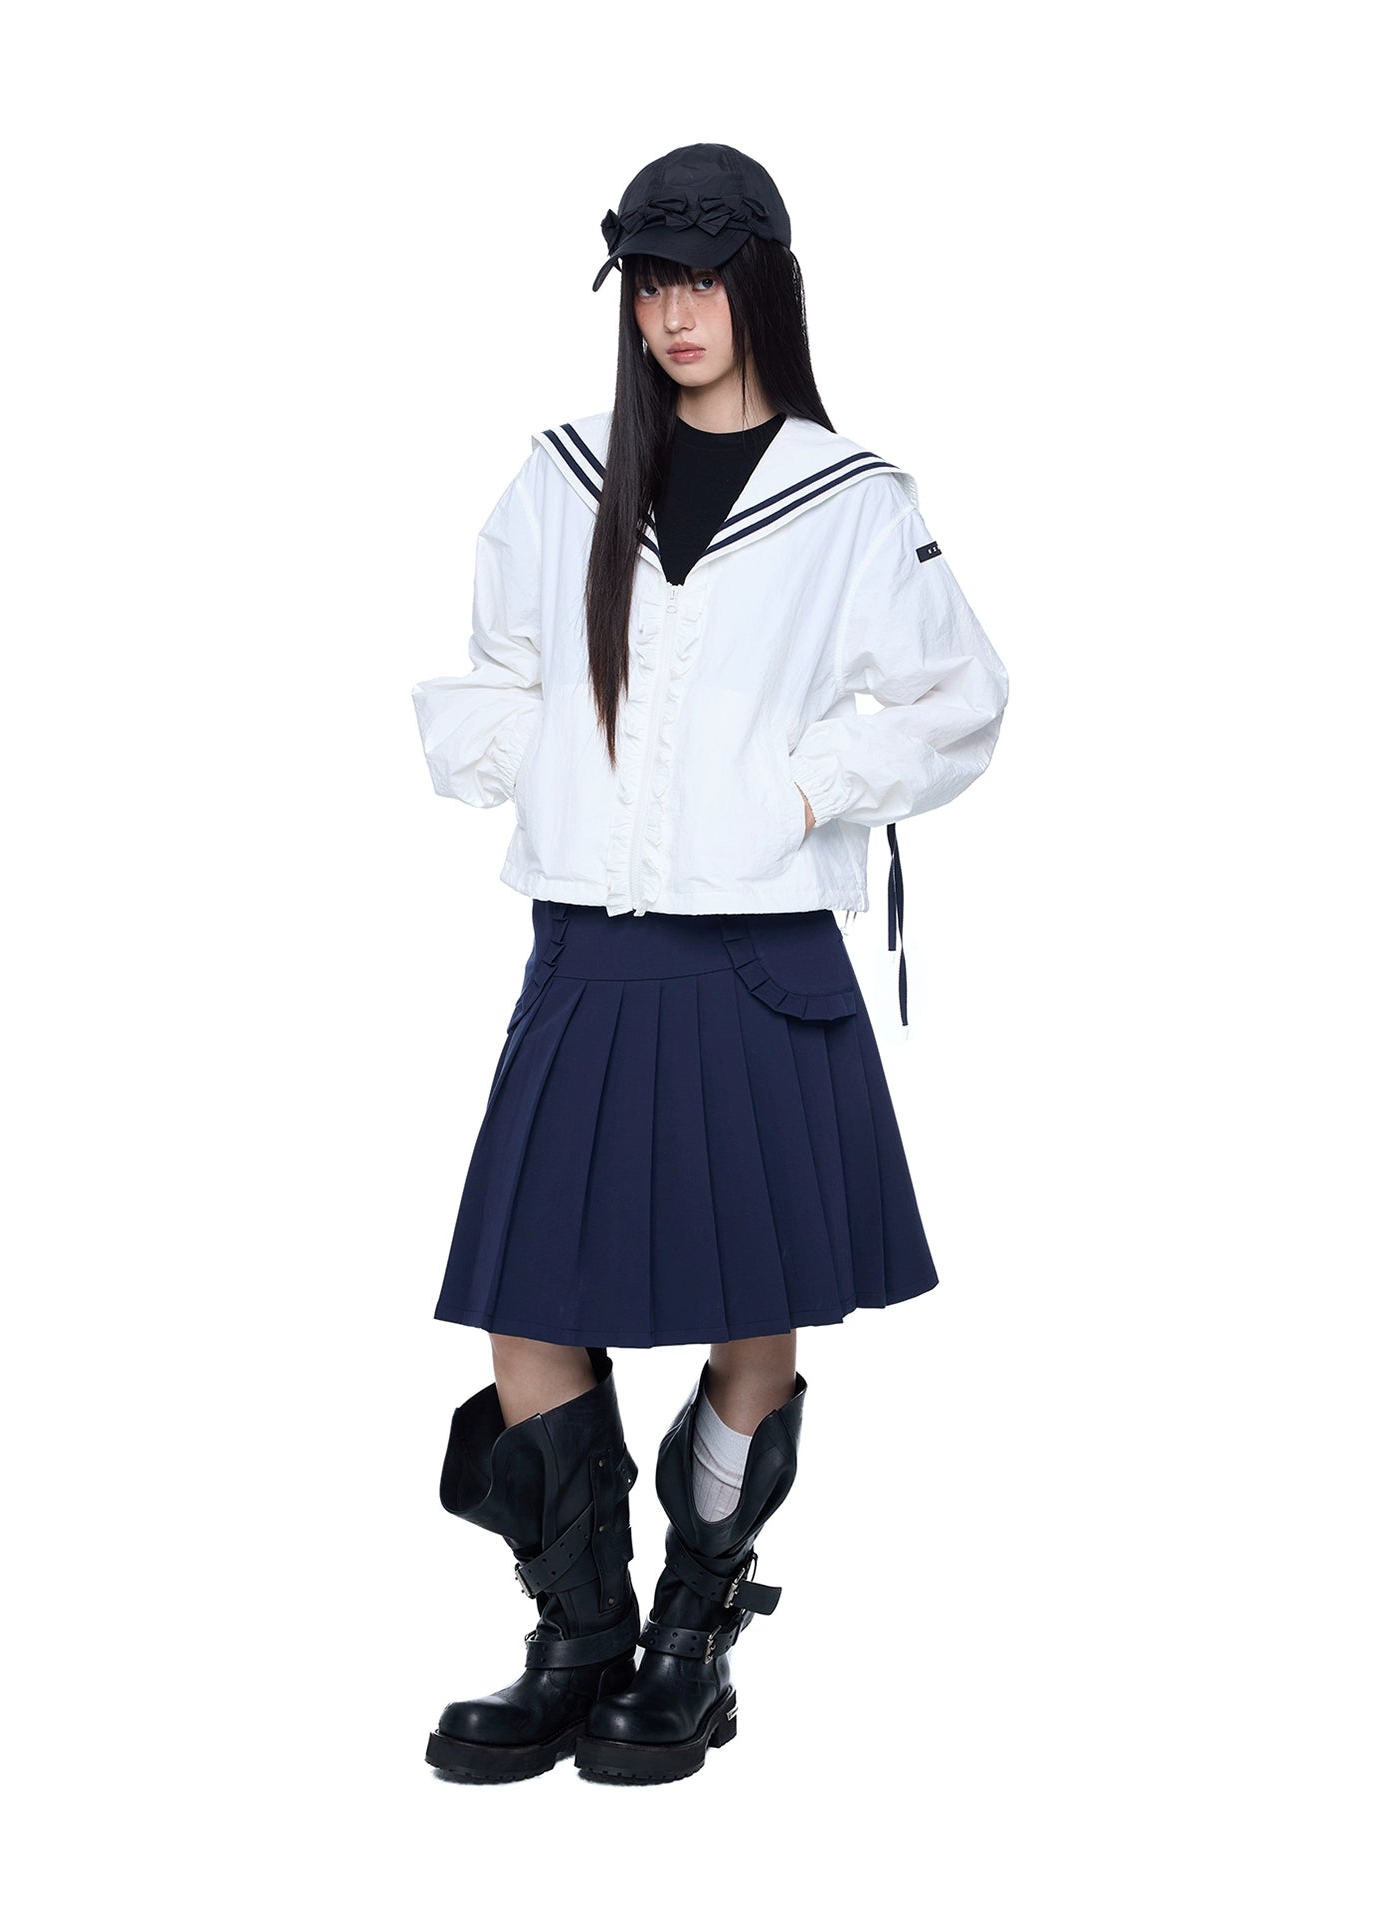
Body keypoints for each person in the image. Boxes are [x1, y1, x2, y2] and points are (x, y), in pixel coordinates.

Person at [412, 143, 1010, 1786]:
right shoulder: (560, 477)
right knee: (526, 1302)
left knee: (754, 1312)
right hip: (587, 956)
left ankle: (692, 1628)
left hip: (759, 962)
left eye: (704, 280)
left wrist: (806, 791)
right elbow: (495, 672)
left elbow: (960, 698)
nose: (676, 315)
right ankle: (576, 1639)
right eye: (651, 285)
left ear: (765, 286)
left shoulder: (851, 497)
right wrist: (538, 772)